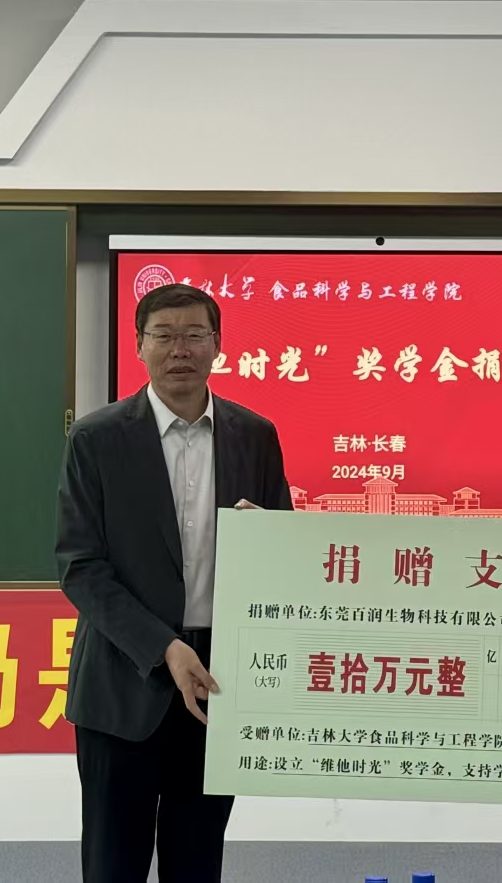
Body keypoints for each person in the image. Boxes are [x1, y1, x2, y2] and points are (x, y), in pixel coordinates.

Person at [56, 283, 293, 883]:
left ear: (218, 344)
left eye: (194, 335)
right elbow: (80, 565)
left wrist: (269, 540)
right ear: (139, 346)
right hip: (122, 681)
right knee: (113, 866)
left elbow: (285, 553)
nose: (179, 349)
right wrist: (164, 647)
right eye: (163, 336)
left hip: (218, 682)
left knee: (197, 861)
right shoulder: (96, 439)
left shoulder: (255, 435)